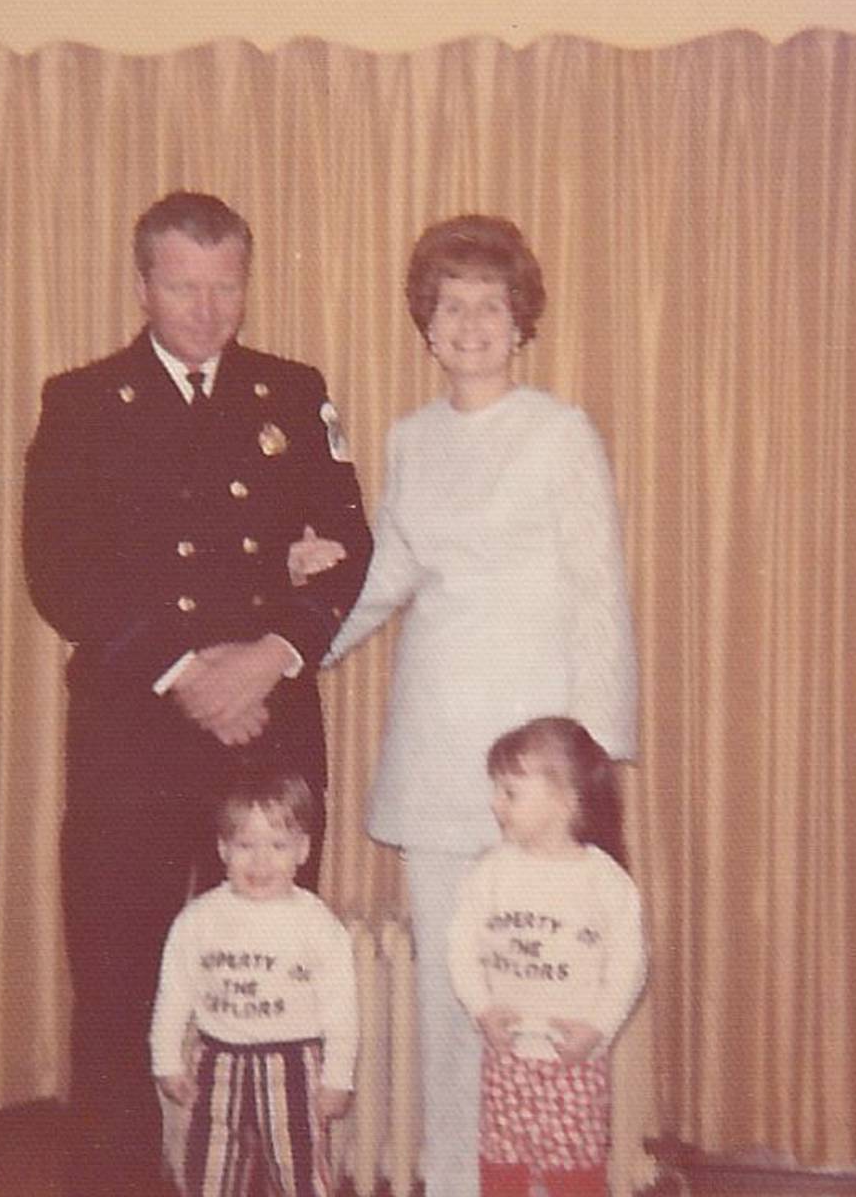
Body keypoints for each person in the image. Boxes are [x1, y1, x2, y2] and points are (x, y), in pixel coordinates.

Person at [22, 190, 372, 1195]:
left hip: (268, 728)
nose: (207, 308)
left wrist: (270, 655)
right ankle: (117, 1177)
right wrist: (190, 674)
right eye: (183, 284)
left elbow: (352, 556)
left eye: (226, 285)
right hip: (134, 725)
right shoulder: (82, 399)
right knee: (120, 972)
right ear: (144, 283)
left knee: (275, 969)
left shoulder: (294, 392)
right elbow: (60, 570)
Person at [298, 214, 639, 1197]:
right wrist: (297, 645)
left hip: (539, 762)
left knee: (554, 987)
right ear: (428, 323)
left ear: (520, 319)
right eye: (452, 305)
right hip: (438, 745)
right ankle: (450, 1181)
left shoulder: (561, 430)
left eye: (491, 304)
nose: (472, 322)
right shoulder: (409, 436)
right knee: (458, 994)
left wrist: (596, 756)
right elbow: (390, 572)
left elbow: (597, 587)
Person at [448, 717, 646, 1197]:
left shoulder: (605, 882)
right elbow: (460, 947)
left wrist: (598, 1028)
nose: (496, 804)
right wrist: (482, 1010)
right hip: (508, 1056)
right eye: (496, 790)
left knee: (574, 1174)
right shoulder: (490, 872)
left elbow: (629, 967)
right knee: (502, 1167)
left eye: (510, 793)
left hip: (573, 1059)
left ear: (565, 798)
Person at [150, 771, 358, 1197]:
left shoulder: (317, 925)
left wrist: (339, 1077)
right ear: (223, 848)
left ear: (302, 849)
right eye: (245, 846)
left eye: (278, 846)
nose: (260, 862)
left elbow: (342, 1011)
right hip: (216, 1065)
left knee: (300, 1173)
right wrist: (166, 1060)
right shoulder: (198, 920)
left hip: (293, 1068)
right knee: (209, 1173)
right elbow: (173, 997)